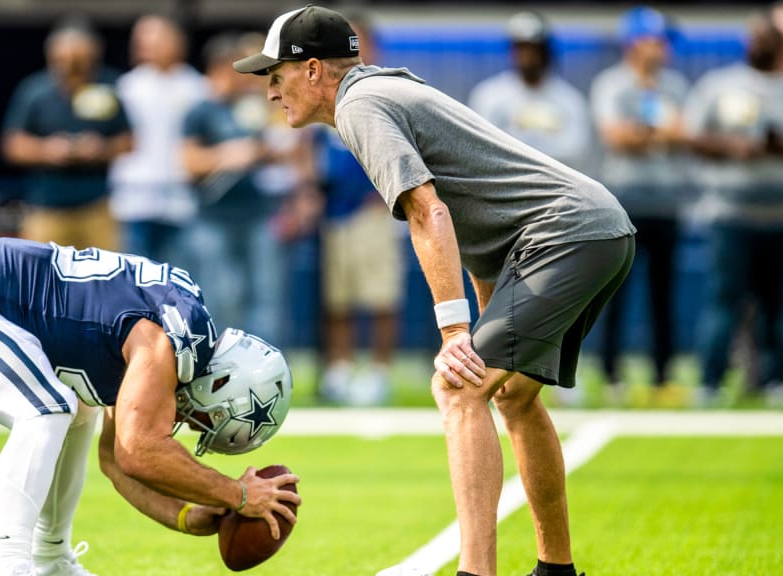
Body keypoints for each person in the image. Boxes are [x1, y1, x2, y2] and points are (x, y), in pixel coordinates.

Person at [235, 6, 635, 576]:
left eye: (275, 75)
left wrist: (454, 332)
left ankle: (476, 572)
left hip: (566, 235)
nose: (271, 92)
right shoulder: (383, 89)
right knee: (512, 396)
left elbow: (431, 213)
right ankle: (556, 570)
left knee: (456, 389)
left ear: (315, 69)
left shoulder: (360, 105)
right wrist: (479, 316)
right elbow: (481, 221)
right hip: (591, 229)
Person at [0, 237, 300, 575]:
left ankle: (50, 558)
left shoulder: (172, 327)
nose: (190, 425)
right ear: (224, 386)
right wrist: (238, 494)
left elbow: (114, 459)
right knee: (49, 408)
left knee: (76, 409)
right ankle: (8, 565)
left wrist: (186, 514)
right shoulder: (167, 340)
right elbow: (137, 450)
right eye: (204, 421)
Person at [685, 11, 783, 409]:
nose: (761, 45)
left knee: (777, 303)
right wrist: (738, 148)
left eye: (768, 38)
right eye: (755, 38)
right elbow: (694, 137)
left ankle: (774, 380)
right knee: (725, 299)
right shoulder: (721, 86)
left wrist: (781, 146)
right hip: (730, 212)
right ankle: (710, 380)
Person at [589, 6, 689, 403]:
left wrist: (645, 134)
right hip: (624, 203)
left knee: (663, 295)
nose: (662, 48)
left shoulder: (675, 85)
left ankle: (663, 375)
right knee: (615, 294)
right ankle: (612, 374)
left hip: (666, 203)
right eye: (656, 40)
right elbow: (616, 137)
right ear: (634, 43)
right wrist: (658, 133)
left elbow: (683, 132)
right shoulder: (612, 84)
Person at [303, 14, 403, 406]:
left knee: (379, 296)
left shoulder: (384, 89)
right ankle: (340, 369)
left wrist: (387, 196)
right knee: (338, 298)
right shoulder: (326, 91)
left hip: (371, 206)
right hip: (334, 209)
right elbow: (313, 149)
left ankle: (379, 372)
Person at [181, 33, 286, 343]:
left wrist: (262, 152)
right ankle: (225, 363)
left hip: (257, 213)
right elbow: (186, 162)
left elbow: (277, 150)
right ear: (217, 69)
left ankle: (266, 364)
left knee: (266, 297)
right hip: (213, 217)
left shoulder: (253, 107)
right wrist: (226, 155)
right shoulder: (200, 111)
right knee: (222, 296)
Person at [2, 18, 132, 251]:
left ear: (93, 55)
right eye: (64, 59)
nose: (71, 66)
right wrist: (46, 150)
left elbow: (129, 141)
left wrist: (101, 149)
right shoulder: (35, 91)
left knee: (105, 280)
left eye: (79, 60)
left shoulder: (108, 87)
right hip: (46, 208)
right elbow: (12, 145)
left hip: (97, 207)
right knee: (40, 277)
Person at [109, 14, 205, 266]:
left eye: (155, 37)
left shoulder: (197, 88)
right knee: (133, 279)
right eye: (141, 39)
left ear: (178, 42)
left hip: (182, 200)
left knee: (179, 280)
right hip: (135, 198)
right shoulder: (126, 87)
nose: (146, 44)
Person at [469, 11, 592, 172]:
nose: (527, 56)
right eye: (521, 48)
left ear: (545, 50)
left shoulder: (569, 99)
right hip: (503, 184)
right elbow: (479, 146)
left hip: (555, 185)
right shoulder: (489, 95)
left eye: (533, 48)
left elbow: (576, 150)